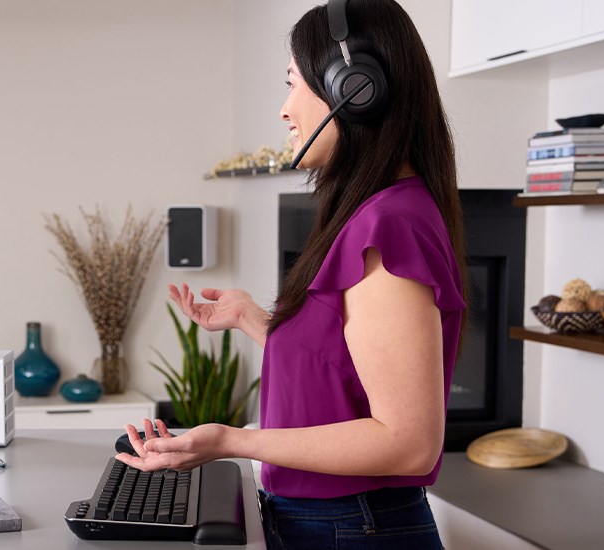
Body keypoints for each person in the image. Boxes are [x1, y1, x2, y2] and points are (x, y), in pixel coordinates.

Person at [116, 2, 467, 549]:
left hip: (353, 528)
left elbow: (407, 443)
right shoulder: (373, 213)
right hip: (333, 523)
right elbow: (344, 369)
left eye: (293, 85)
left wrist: (234, 442)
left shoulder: (388, 226)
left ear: (355, 90)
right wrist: (255, 319)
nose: (284, 110)